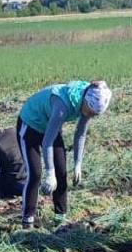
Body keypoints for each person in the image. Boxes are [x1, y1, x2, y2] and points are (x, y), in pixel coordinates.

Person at [16, 80, 112, 229]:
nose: (89, 116)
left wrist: (78, 164)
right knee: (35, 174)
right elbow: (47, 142)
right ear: (86, 101)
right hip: (31, 125)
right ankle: (28, 219)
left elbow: (80, 134)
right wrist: (49, 173)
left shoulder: (87, 100)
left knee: (61, 172)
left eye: (94, 115)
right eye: (90, 112)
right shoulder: (63, 106)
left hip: (51, 125)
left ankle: (60, 217)